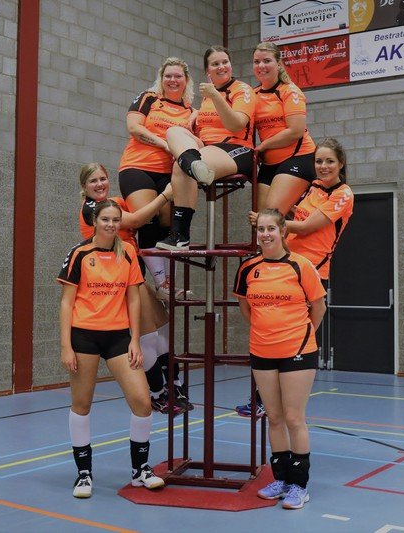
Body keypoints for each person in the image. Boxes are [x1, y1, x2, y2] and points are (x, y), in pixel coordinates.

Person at [236, 139, 354, 418]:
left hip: (311, 269)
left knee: (298, 332)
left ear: (341, 164)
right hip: (286, 262)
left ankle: (274, 391)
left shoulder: (343, 194)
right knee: (270, 322)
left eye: (329, 161)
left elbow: (307, 226)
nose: (323, 166)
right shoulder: (313, 187)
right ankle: (263, 396)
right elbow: (295, 214)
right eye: (319, 161)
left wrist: (268, 223)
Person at [58, 199, 165, 499]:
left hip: (118, 337)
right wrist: (66, 346)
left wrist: (135, 339)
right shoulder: (79, 254)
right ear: (95, 221)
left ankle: (140, 470)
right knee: (82, 404)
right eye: (105, 219)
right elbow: (66, 302)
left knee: (142, 402)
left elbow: (134, 298)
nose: (111, 225)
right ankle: (84, 473)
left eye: (116, 220)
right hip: (84, 337)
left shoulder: (128, 252)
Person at [78, 163, 193, 414]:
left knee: (163, 325)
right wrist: (166, 195)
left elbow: (147, 220)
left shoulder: (117, 201)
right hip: (117, 276)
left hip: (136, 272)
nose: (99, 184)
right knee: (148, 334)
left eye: (102, 178)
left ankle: (174, 385)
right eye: (93, 181)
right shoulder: (92, 209)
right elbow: (138, 219)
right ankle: (157, 393)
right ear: (84, 187)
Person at [233, 208, 326, 510]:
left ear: (283, 231)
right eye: (261, 229)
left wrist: (300, 335)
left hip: (297, 351)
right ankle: (281, 479)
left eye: (271, 228)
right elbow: (246, 307)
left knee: (294, 418)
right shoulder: (248, 268)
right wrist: (266, 331)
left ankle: (299, 485)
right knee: (273, 418)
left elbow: (318, 307)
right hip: (262, 350)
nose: (265, 234)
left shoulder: (301, 266)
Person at [156, 45, 256, 251]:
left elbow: (236, 124)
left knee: (180, 166)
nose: (221, 67)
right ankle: (194, 166)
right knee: (173, 131)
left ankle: (180, 235)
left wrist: (215, 96)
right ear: (207, 71)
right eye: (215, 64)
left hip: (237, 149)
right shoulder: (208, 96)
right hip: (207, 149)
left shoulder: (242, 89)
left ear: (231, 65)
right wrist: (196, 113)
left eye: (225, 62)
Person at [118, 57, 195, 298]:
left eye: (178, 76)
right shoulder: (149, 98)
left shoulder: (191, 111)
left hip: (169, 172)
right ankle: (161, 283)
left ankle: (167, 283)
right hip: (137, 167)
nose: (172, 80)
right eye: (168, 76)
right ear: (161, 79)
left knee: (168, 225)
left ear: (186, 80)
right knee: (147, 218)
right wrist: (165, 144)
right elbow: (134, 128)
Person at [252, 41, 317, 216]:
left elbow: (295, 131)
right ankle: (298, 218)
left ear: (279, 64)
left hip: (298, 157)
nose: (261, 66)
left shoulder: (290, 91)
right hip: (269, 163)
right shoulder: (253, 94)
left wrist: (264, 146)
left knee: (270, 216)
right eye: (257, 62)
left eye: (267, 61)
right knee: (261, 220)